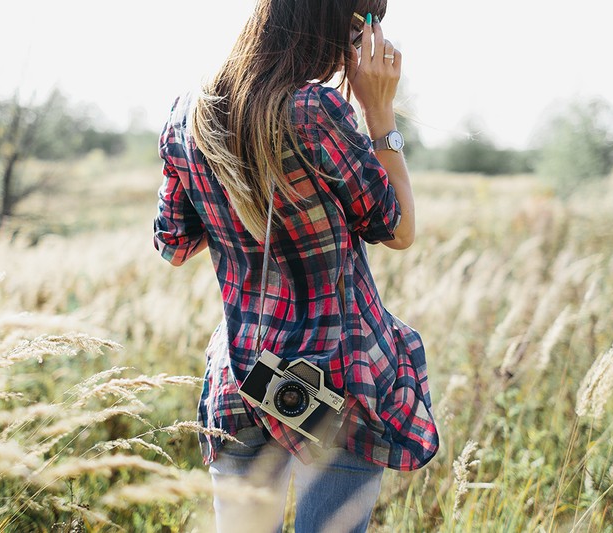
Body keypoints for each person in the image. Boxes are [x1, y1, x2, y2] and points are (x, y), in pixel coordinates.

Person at [153, 1, 439, 531]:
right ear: (332, 21)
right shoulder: (314, 110)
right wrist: (380, 115)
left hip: (240, 376)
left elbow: (172, 243)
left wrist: (236, 194)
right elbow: (399, 230)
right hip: (335, 379)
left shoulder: (186, 112)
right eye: (362, 25)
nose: (364, 44)